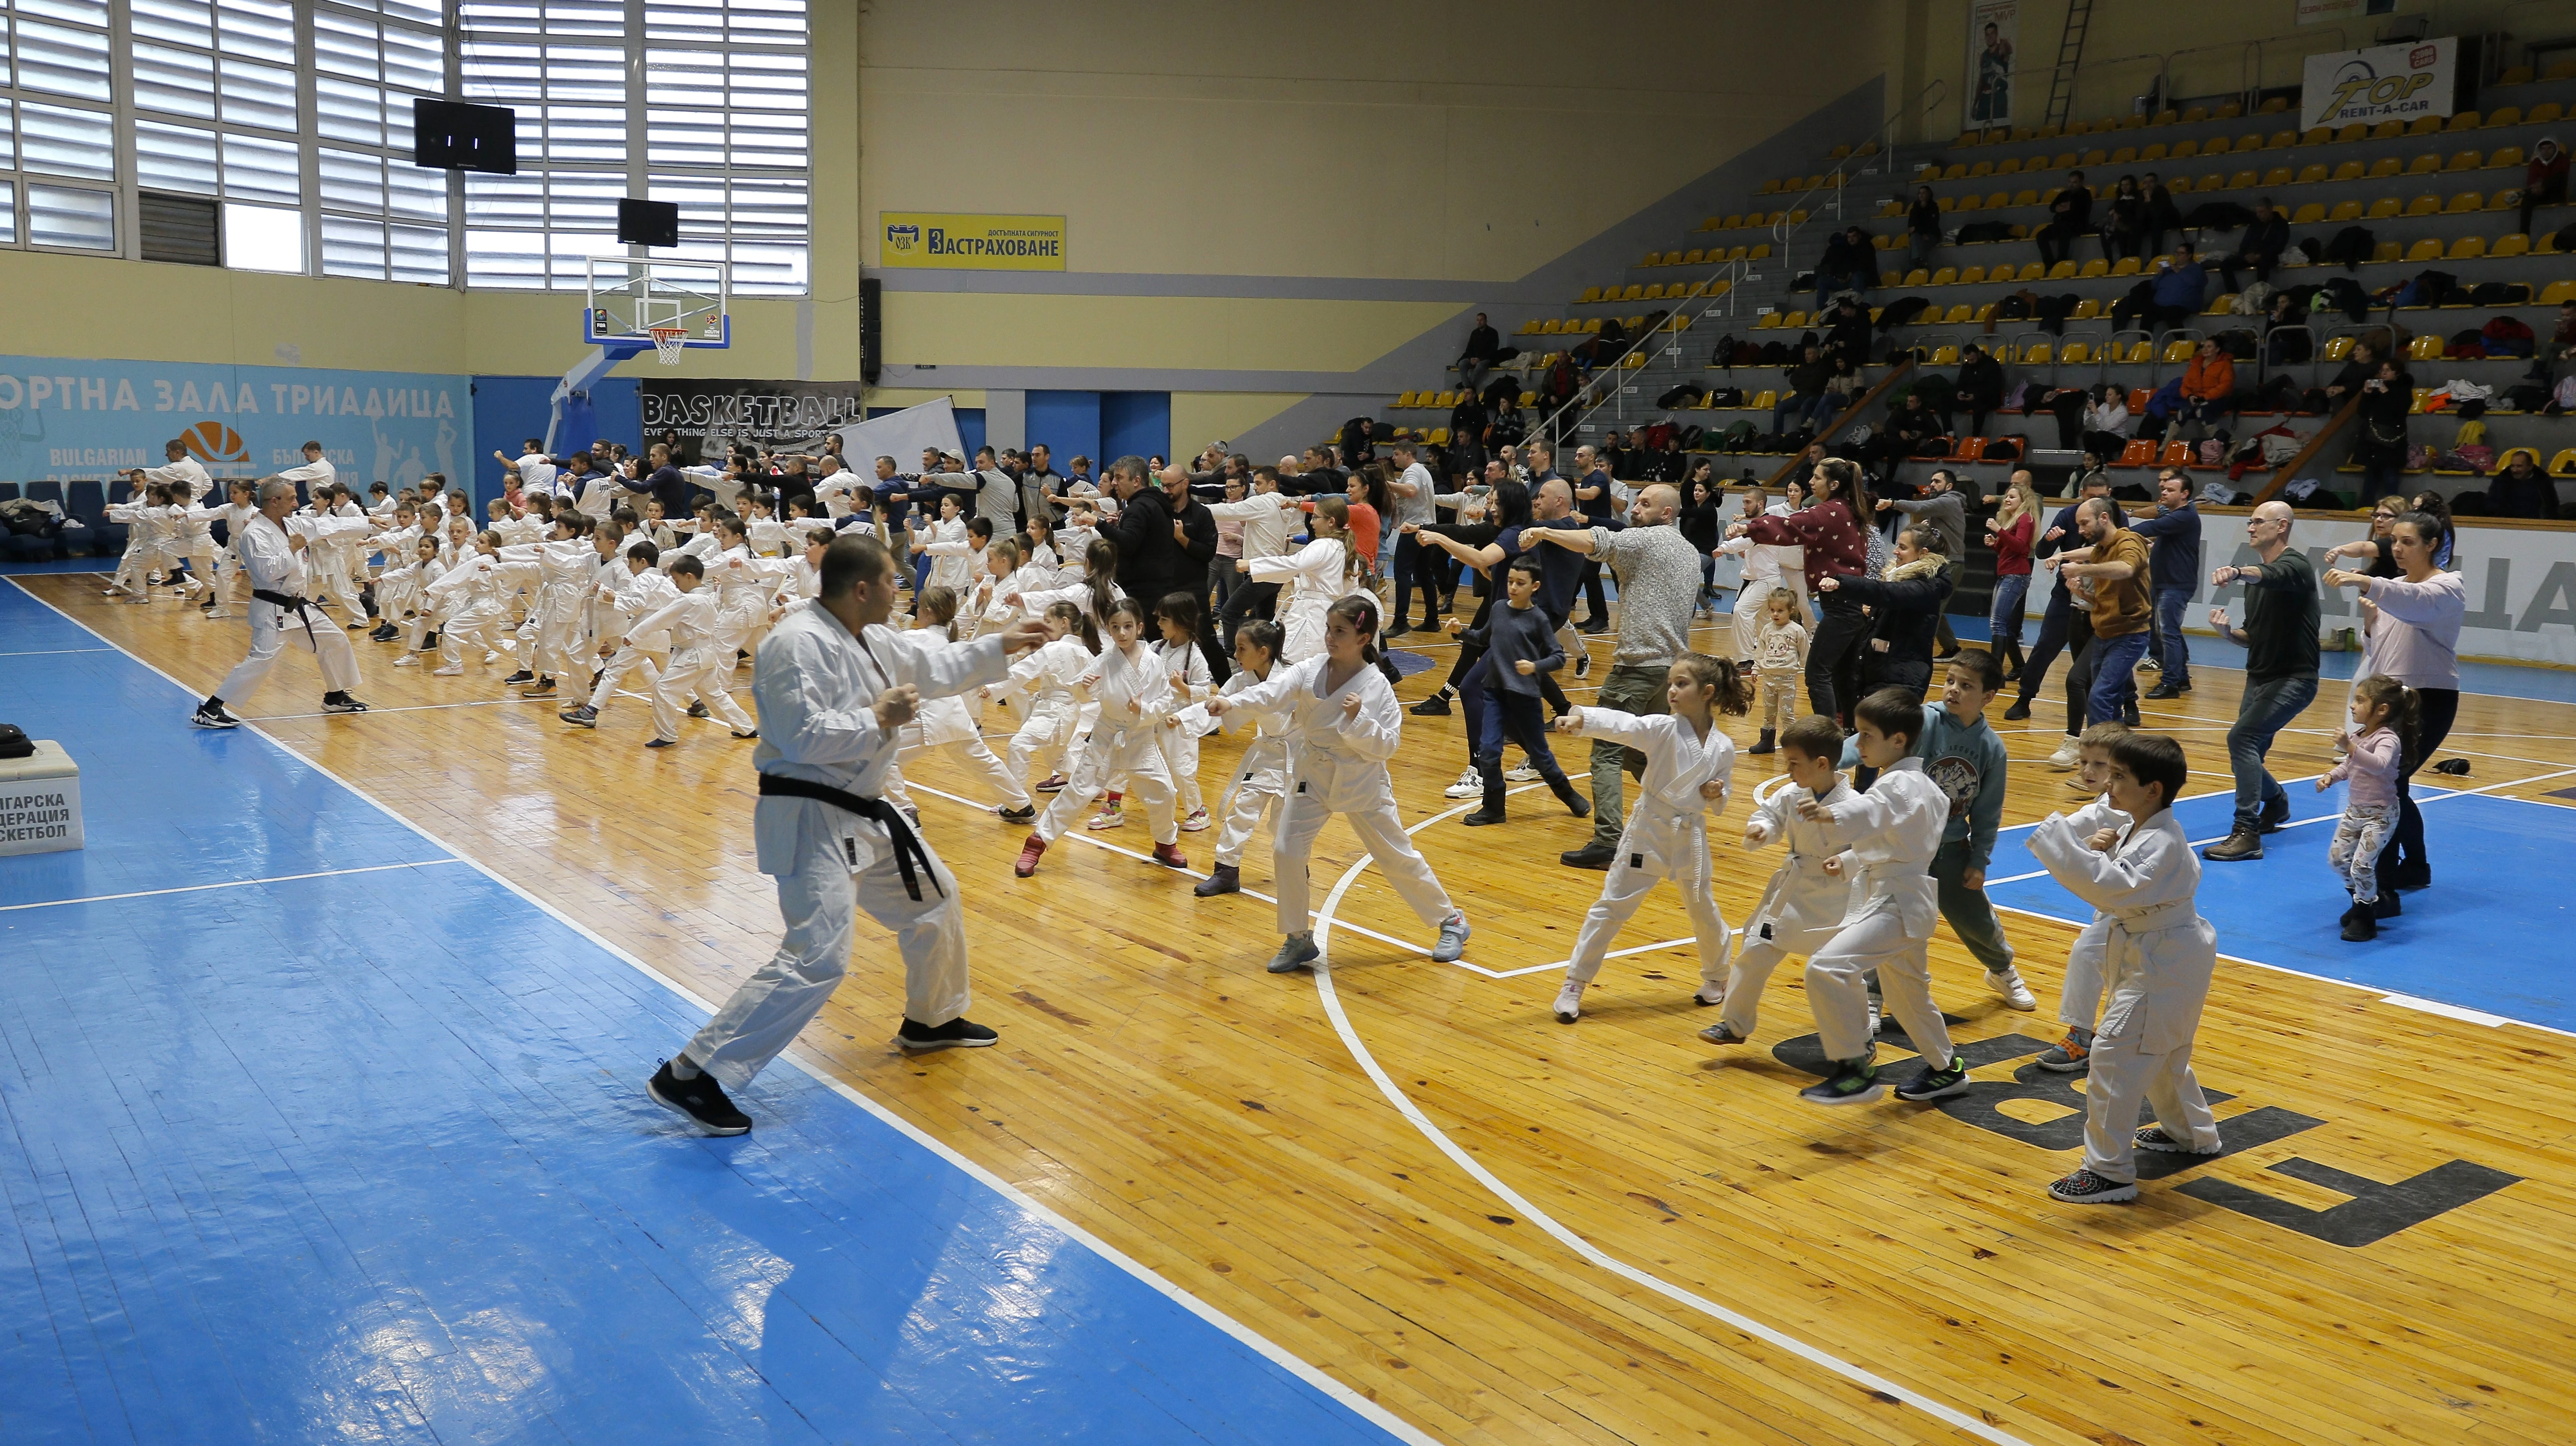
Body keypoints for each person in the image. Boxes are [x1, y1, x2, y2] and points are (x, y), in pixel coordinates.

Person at [645, 538, 1051, 1134]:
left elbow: (935, 669)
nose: (900, 590)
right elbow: (797, 734)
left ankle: (932, 1021)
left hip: (865, 808)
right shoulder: (794, 644)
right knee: (818, 957)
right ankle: (693, 1073)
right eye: (892, 581)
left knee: (934, 899)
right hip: (810, 815)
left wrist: (1001, 645)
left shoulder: (876, 637)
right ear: (862, 588)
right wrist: (877, 718)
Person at [1203, 595, 1471, 973]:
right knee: (1286, 849)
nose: (1329, 637)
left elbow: (1387, 746)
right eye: (1329, 629)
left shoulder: (1376, 687)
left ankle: (1451, 921)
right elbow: (1272, 692)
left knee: (1395, 855)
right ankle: (1297, 938)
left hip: (1361, 779)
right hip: (1313, 773)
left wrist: (1358, 719)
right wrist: (1232, 704)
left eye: (1340, 631)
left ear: (1364, 639)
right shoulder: (1311, 668)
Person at [2028, 732, 2223, 1204]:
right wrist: (2101, 850)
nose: (2108, 786)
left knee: (2116, 1055)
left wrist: (2066, 847)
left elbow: (2112, 890)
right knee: (2161, 1052)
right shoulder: (2142, 829)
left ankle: (2108, 1170)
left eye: (2119, 777)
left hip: (2163, 958)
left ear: (2153, 788)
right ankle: (2192, 1134)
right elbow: (2121, 882)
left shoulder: (2162, 841)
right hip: (2159, 951)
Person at [1547, 655, 1752, 1022]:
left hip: (1689, 833)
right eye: (1671, 683)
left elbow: (1723, 794)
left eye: (1682, 684)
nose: (1672, 690)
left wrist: (1716, 792)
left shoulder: (1723, 747)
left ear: (1707, 692)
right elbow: (1625, 725)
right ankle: (1575, 982)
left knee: (1702, 907)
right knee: (1612, 904)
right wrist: (1583, 720)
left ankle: (1719, 976)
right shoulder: (1662, 728)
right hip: (1650, 828)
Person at [1794, 689, 1970, 1107]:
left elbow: (1871, 813)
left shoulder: (1899, 785)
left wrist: (1831, 814)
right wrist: (1853, 860)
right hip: (1903, 895)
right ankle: (1948, 1068)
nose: (1860, 742)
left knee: (1827, 966)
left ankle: (1856, 1068)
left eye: (1868, 735)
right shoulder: (1916, 784)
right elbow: (1895, 837)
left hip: (1899, 902)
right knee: (1910, 998)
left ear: (1898, 740)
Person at [1835, 649, 2035, 1009]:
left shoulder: (1992, 748)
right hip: (1902, 848)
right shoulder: (1924, 720)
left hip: (1950, 849)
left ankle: (2002, 969)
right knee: (1883, 920)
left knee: (1976, 920)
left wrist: (1980, 859)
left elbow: (1988, 811)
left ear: (1988, 697)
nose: (1954, 690)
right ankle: (1874, 996)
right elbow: (1865, 740)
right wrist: (1828, 755)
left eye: (1966, 686)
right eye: (1950, 681)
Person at [1527, 482, 1705, 869]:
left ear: (1668, 514)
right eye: (1636, 502)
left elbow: (1596, 540)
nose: (1636, 509)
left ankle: (1608, 841)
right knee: (1643, 752)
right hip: (1672, 671)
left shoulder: (1647, 541)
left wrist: (1545, 531)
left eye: (1645, 504)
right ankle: (1680, 819)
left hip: (1637, 667)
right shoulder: (1690, 552)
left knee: (1606, 751)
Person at [2324, 512, 2463, 906]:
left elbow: (2419, 605)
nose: (2398, 549)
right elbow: (2379, 653)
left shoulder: (2448, 586)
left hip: (2429, 697)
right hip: (2391, 698)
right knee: (2394, 785)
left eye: (2407, 542)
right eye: (2395, 542)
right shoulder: (2394, 588)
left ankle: (2381, 893)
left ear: (2432, 544)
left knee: (2386, 785)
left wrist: (2367, 581)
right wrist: (2370, 626)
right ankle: (2413, 868)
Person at [1697, 714, 1855, 1046]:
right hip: (1793, 889)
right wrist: (1763, 830)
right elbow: (1769, 816)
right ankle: (1735, 1023)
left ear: (1822, 763)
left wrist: (1847, 860)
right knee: (1756, 947)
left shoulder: (1856, 806)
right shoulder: (1790, 794)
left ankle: (1861, 1037)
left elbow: (1876, 847)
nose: (1789, 770)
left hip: (1835, 899)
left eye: (1794, 763)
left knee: (1839, 970)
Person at [1014, 596, 1187, 875]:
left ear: (1140, 628)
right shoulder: (1105, 661)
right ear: (1108, 628)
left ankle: (1166, 842)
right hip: (1106, 736)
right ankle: (1036, 843)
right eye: (1116, 627)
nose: (1122, 633)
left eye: (1128, 626)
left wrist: (1144, 708)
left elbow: (1164, 701)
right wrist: (1085, 687)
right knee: (1078, 791)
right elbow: (1080, 696)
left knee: (1164, 792)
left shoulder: (1153, 662)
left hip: (1140, 737)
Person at [191, 480, 371, 727]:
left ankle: (335, 695)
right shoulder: (254, 534)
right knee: (261, 660)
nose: (297, 504)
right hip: (273, 608)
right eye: (291, 498)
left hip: (298, 606)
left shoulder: (293, 522)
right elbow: (267, 572)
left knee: (334, 640)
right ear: (274, 501)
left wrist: (368, 522)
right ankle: (211, 709)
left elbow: (326, 525)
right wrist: (292, 547)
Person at [2199, 502, 2321, 862]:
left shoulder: (2296, 566)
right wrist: (2228, 634)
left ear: (2281, 526)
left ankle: (2246, 831)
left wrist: (2237, 572)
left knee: (2242, 738)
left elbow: (2271, 575)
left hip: (2294, 679)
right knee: (2248, 753)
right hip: (2260, 677)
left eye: (2257, 522)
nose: (2250, 528)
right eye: (2249, 522)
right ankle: (2277, 803)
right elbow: (2253, 635)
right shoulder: (2257, 581)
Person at [1729, 458, 1870, 729]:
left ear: (1834, 484)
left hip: (1842, 605)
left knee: (1817, 674)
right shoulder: (1849, 508)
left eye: (1817, 478)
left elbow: (1789, 526)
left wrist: (1750, 526)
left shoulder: (1830, 512)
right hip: (1848, 601)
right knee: (1844, 674)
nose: (1810, 482)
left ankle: (1827, 733)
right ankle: (1852, 729)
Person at [1458, 557, 1592, 827]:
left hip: (1526, 698)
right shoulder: (1498, 609)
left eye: (1521, 583)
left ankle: (1569, 796)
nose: (1514, 588)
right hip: (1495, 693)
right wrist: (1460, 632)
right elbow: (1483, 638)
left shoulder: (1538, 619)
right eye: (1510, 582)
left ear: (1535, 586)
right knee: (1489, 751)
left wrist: (1535, 667)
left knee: (1540, 756)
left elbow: (1558, 657)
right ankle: (1494, 808)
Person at [2032, 721, 2135, 1072]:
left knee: (2089, 955)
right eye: (2083, 763)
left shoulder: (2119, 810)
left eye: (2099, 764)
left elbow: (2081, 823)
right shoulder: (2108, 802)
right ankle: (2096, 1037)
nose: (2088, 771)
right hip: (2116, 908)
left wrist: (2075, 844)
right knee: (2106, 964)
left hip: (2141, 911)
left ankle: (2082, 1038)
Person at [1189, 620, 1292, 899]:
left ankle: (1295, 871)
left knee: (1289, 824)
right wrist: (1180, 721)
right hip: (1268, 754)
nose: (1234, 654)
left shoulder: (1294, 677)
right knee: (1242, 812)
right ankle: (1226, 872)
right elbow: (1214, 707)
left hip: (1301, 759)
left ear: (1263, 652)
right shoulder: (1242, 680)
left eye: (1241, 648)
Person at [2042, 497, 2151, 761]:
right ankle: (2121, 759)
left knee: (2100, 697)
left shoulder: (2129, 542)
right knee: (2108, 701)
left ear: (2104, 518)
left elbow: (2126, 569)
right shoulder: (2103, 549)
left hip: (2129, 635)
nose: (2080, 530)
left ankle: (2097, 761)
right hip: (2104, 633)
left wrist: (2082, 569)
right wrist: (2069, 567)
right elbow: (2091, 556)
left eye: (2084, 523)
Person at [2321, 676, 2413, 943]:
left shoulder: (2388, 739)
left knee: (2362, 866)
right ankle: (2362, 901)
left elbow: (2378, 765)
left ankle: (2366, 916)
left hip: (2380, 816)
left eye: (2360, 700)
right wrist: (2331, 776)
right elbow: (2352, 766)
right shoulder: (2360, 736)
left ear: (2382, 710)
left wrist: (2350, 747)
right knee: (2338, 861)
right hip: (2355, 812)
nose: (2353, 706)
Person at [634, 556, 760, 747]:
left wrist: (635, 635)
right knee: (714, 694)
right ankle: (746, 727)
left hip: (693, 655)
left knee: (663, 690)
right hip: (705, 653)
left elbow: (659, 619)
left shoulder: (689, 600)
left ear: (689, 577)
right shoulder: (707, 597)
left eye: (677, 580)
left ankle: (667, 735)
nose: (676, 585)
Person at [1820, 527, 1952, 699]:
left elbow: (1887, 593)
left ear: (1923, 553)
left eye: (1903, 548)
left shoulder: (1927, 586)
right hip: (1881, 672)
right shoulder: (1899, 579)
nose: (1896, 551)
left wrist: (1842, 583)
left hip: (1901, 680)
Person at [2126, 470, 2201, 700]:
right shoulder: (2173, 515)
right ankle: (2181, 678)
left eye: (2171, 490)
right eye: (2164, 489)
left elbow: (2149, 528)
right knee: (2166, 631)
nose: (2164, 493)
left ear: (2185, 494)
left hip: (2176, 583)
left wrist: (2118, 534)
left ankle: (2170, 683)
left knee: (2168, 632)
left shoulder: (2184, 516)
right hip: (2164, 581)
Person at [1879, 468, 1968, 656]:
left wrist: (1892, 503)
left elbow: (1919, 507)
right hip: (1941, 561)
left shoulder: (1949, 501)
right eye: (1932, 481)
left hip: (1950, 563)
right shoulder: (1943, 506)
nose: (1932, 485)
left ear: (1949, 486)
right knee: (1933, 606)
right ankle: (1951, 648)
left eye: (1937, 482)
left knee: (1931, 610)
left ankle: (1915, 654)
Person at [1984, 474, 2039, 680]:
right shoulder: (2013, 519)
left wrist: (1999, 531)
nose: (2007, 500)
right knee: (2003, 624)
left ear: (2023, 502)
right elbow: (2007, 548)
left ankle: (1994, 674)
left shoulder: (2026, 518)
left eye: (2012, 497)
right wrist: (1994, 543)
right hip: (2007, 573)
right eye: (2006, 497)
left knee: (1997, 622)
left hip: (2016, 575)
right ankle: (2019, 666)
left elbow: (2021, 547)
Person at [1746, 588, 1808, 755]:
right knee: (1769, 714)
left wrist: (1807, 671)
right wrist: (1756, 668)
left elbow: (1805, 653)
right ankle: (1767, 743)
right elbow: (1761, 651)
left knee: (1787, 714)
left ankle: (1793, 746)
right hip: (1768, 680)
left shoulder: (1797, 631)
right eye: (1772, 610)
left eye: (1780, 611)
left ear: (1791, 611)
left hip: (1787, 681)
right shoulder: (1767, 630)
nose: (1775, 614)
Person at [2352, 359, 2415, 504]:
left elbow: (2400, 412)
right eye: (2382, 370)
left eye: (2388, 370)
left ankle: (2393, 508)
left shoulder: (2403, 390)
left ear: (2397, 373)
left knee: (2391, 477)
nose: (2384, 373)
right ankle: (2365, 508)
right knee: (2370, 479)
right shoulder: (2375, 391)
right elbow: (2363, 412)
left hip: (2392, 442)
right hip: (2372, 440)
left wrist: (2387, 394)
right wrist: (2367, 394)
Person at [2220, 198, 2290, 292]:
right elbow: (2245, 242)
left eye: (2262, 212)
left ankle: (2259, 293)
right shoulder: (2255, 223)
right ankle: (2234, 293)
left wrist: (2259, 255)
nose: (2260, 215)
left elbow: (2279, 246)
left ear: (2270, 210)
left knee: (2263, 263)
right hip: (2251, 254)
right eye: (2258, 212)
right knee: (2225, 264)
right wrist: (2246, 255)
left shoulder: (2281, 224)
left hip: (2269, 256)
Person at [2174, 338, 2235, 444]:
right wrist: (2189, 396)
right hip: (2197, 399)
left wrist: (2206, 397)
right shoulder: (2195, 364)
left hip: (2218, 399)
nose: (2205, 349)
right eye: (2203, 347)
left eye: (2209, 347)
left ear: (2217, 349)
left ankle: (2219, 442)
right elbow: (2184, 386)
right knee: (2183, 412)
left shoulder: (2225, 365)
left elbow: (2225, 386)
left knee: (2201, 411)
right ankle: (2166, 444)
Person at [1773, 344, 1835, 438]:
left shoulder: (1823, 366)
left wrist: (1803, 381)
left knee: (1806, 406)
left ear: (1817, 354)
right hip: (1800, 395)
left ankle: (1805, 436)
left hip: (1815, 395)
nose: (1806, 356)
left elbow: (1816, 383)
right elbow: (1793, 380)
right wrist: (1807, 380)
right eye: (1806, 354)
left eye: (1809, 354)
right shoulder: (1803, 365)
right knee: (1779, 407)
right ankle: (1776, 436)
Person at [2036, 170, 2093, 269]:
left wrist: (2064, 207)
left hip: (2077, 224)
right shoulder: (2064, 195)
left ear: (2081, 183)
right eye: (2070, 182)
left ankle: (2062, 259)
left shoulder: (2085, 194)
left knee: (2064, 230)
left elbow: (2079, 210)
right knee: (2041, 235)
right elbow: (2053, 208)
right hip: (2061, 223)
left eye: (2075, 182)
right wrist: (2067, 207)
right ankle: (2049, 263)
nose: (2071, 185)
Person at [2148, 244, 2205, 334]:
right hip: (2161, 305)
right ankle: (2148, 345)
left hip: (2183, 306)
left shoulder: (2196, 269)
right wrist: (2160, 275)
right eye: (2177, 253)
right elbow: (2154, 286)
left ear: (2189, 256)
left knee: (2171, 315)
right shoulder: (2168, 270)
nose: (2178, 255)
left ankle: (2181, 343)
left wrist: (2180, 272)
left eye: (2182, 253)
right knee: (2147, 316)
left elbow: (2197, 283)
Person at [1954, 344, 2005, 437]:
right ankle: (1950, 433)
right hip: (1968, 397)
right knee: (1945, 400)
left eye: (1972, 359)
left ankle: (1975, 436)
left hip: (1987, 398)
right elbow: (1960, 382)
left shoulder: (1991, 364)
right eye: (1968, 360)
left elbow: (1994, 386)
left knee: (1979, 407)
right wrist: (1960, 392)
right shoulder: (1967, 366)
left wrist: (1976, 395)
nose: (1970, 362)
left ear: (1978, 354)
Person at [2520, 137, 2567, 236]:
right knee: (2527, 198)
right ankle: (2524, 234)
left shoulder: (2562, 159)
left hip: (2556, 193)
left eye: (2550, 148)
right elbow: (2532, 181)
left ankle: (2521, 193)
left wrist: (2542, 185)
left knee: (2558, 177)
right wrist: (2537, 188)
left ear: (2556, 149)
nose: (2546, 151)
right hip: (2540, 193)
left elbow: (2559, 178)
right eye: (2543, 149)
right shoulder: (2536, 163)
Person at [1815, 226, 1875, 300]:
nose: (1851, 239)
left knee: (1857, 277)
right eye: (1849, 237)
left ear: (1859, 236)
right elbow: (1837, 263)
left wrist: (1851, 274)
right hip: (1844, 280)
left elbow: (1866, 265)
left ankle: (1856, 306)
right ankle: (1823, 310)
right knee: (1821, 281)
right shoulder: (1844, 248)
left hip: (1862, 279)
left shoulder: (1867, 247)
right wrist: (1837, 276)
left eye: (1854, 236)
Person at [2097, 174, 2146, 262]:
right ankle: (2112, 259)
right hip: (2121, 225)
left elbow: (2139, 213)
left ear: (2132, 186)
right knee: (2108, 230)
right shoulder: (2119, 199)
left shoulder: (2138, 198)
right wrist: (2114, 214)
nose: (2124, 187)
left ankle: (2133, 258)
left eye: (2127, 185)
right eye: (2122, 185)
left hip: (2135, 224)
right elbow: (2111, 209)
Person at [1458, 312, 1502, 393]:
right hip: (1474, 358)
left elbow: (1493, 350)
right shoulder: (1474, 333)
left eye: (1481, 320)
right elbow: (1469, 348)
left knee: (1480, 366)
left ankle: (1466, 386)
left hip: (1486, 358)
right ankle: (1467, 385)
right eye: (1478, 320)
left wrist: (1480, 359)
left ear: (1486, 321)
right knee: (1462, 364)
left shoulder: (1493, 333)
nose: (1479, 322)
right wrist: (1471, 358)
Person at [1907, 183, 1943, 268]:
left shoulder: (1934, 208)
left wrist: (1919, 230)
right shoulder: (1915, 209)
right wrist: (1922, 233)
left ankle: (1914, 267)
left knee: (1915, 242)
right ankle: (1921, 262)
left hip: (1931, 235)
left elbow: (1932, 224)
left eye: (1924, 193)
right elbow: (1911, 225)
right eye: (1920, 193)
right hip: (1920, 235)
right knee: (1916, 238)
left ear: (1929, 194)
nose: (1921, 195)